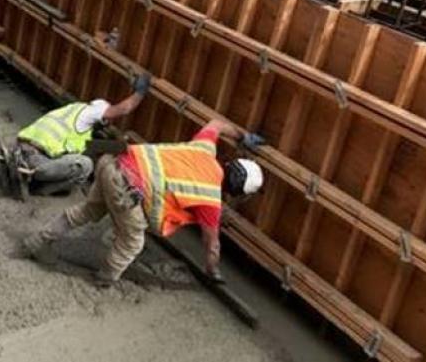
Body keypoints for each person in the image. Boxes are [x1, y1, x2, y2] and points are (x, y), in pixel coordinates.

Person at [24, 119, 265, 287]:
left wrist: (243, 137)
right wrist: (212, 271)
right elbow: (211, 244)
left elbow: (217, 124)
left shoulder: (204, 148)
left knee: (87, 210)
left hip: (111, 160)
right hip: (126, 188)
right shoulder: (210, 199)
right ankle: (104, 280)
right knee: (132, 242)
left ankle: (39, 241)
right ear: (236, 190)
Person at [15, 73, 151, 196]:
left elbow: (90, 146)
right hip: (36, 160)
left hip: (21, 148)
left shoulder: (74, 111)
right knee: (85, 165)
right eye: (108, 120)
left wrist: (124, 147)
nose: (108, 124)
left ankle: (29, 172)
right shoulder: (92, 113)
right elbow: (123, 109)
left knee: (82, 158)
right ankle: (39, 188)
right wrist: (140, 92)